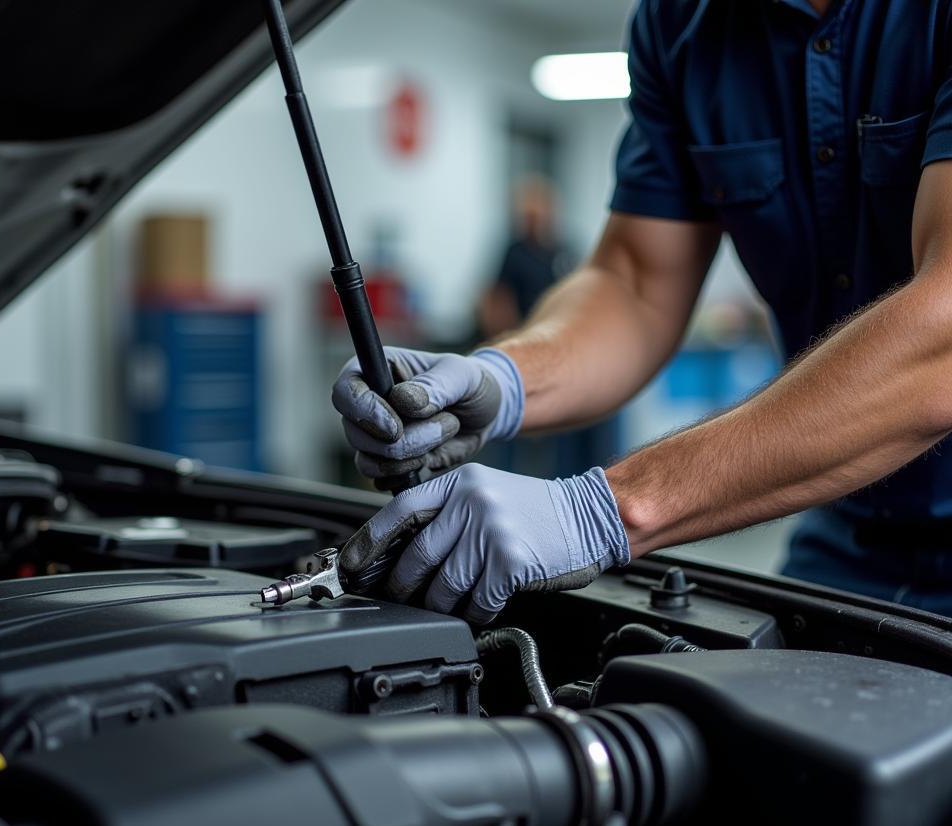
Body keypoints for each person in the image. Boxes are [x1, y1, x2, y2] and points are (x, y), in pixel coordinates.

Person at [333, 0, 952, 625]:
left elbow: (945, 332)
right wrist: (505, 378)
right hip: (850, 531)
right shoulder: (679, 23)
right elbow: (634, 283)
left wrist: (602, 510)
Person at [478, 176, 575, 340]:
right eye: (530, 217)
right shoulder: (515, 252)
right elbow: (499, 296)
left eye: (540, 215)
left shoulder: (565, 251)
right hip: (524, 330)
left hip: (557, 330)